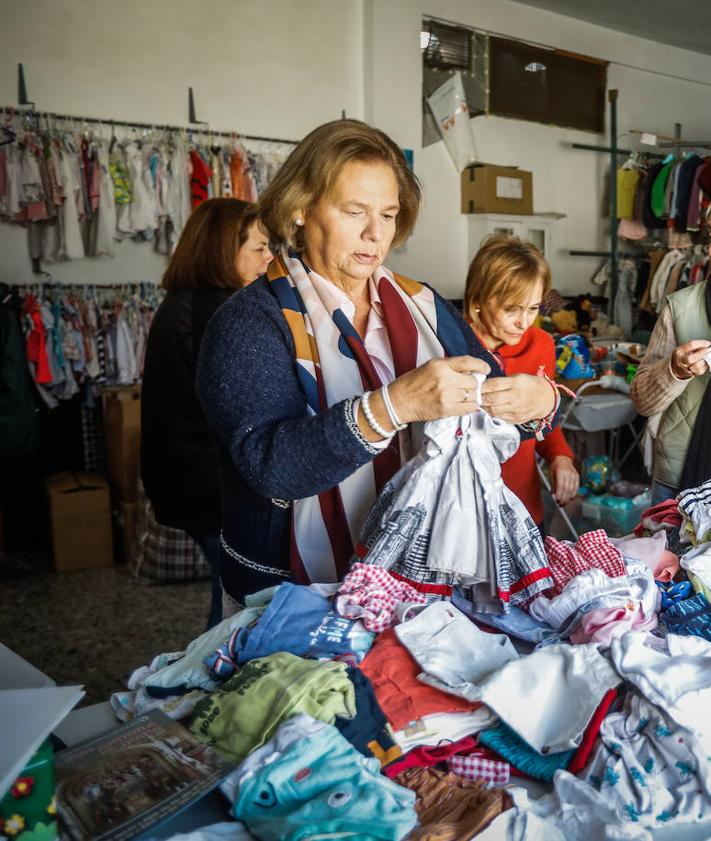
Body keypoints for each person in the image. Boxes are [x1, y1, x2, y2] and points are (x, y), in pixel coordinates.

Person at [196, 119, 560, 611]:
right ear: (300, 208)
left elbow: (495, 402)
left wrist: (541, 401)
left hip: (423, 577)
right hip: (298, 589)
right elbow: (270, 465)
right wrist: (396, 405)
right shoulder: (249, 322)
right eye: (354, 211)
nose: (375, 233)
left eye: (388, 215)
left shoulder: (423, 306)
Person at [141, 198, 273, 628]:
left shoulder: (187, 304)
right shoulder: (216, 311)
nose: (269, 258)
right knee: (237, 607)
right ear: (222, 249)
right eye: (258, 247)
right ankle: (217, 682)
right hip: (209, 485)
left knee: (230, 596)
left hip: (191, 482)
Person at [464, 234, 579, 531]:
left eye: (532, 309)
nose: (524, 322)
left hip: (524, 509)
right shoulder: (450, 347)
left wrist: (561, 457)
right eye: (511, 309)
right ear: (478, 298)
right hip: (465, 514)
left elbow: (543, 421)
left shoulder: (541, 344)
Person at [631, 276, 711, 503]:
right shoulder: (680, 308)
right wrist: (675, 371)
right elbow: (642, 401)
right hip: (678, 475)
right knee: (668, 539)